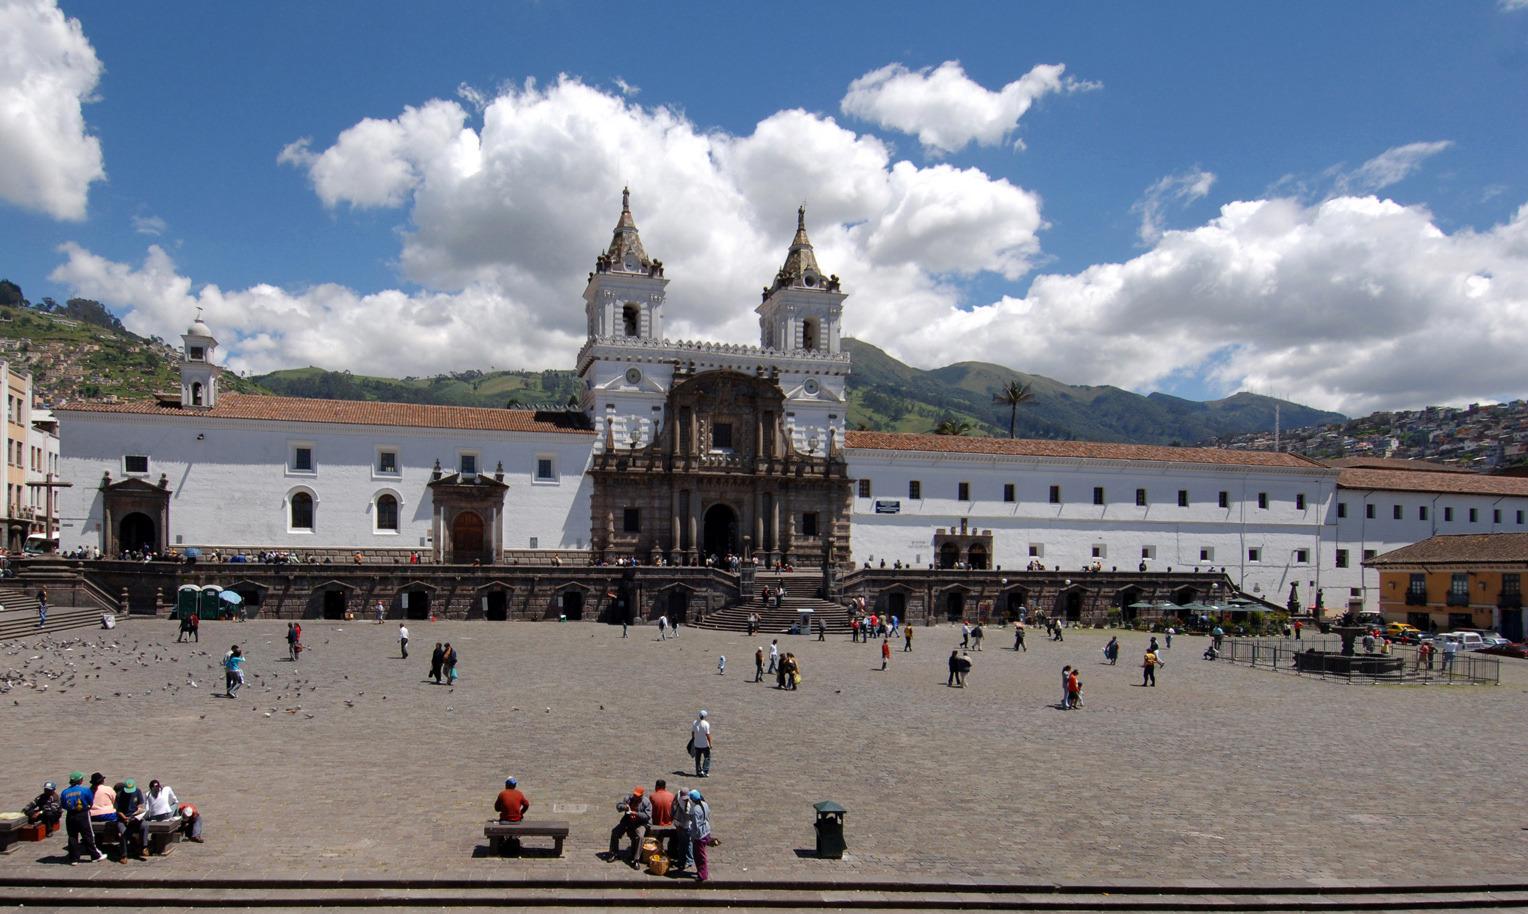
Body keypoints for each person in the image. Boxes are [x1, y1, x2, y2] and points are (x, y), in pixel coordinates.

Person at [60, 772, 104, 865]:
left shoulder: (65, 792)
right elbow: (90, 802)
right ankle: (95, 855)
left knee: (72, 836)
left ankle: (74, 858)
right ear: (79, 780)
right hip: (83, 814)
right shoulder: (85, 790)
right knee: (88, 835)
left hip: (70, 815)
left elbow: (63, 805)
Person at [609, 786, 649, 867]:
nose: (635, 797)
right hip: (628, 821)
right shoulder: (629, 798)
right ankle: (615, 853)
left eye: (637, 796)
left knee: (640, 836)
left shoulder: (646, 802)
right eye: (634, 795)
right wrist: (624, 807)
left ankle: (636, 859)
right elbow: (618, 805)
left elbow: (648, 816)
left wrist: (637, 814)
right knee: (615, 832)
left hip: (640, 823)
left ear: (641, 796)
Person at [115, 779, 149, 861]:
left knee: (144, 826)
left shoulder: (137, 791)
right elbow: (118, 809)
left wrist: (138, 810)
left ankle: (144, 847)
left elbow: (140, 803)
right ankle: (124, 855)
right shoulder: (119, 795)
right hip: (123, 818)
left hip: (134, 816)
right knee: (123, 833)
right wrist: (124, 817)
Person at [687, 789, 712, 882]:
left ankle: (703, 874)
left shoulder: (696, 810)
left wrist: (693, 837)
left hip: (700, 835)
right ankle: (701, 871)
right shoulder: (705, 804)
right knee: (700, 853)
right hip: (706, 830)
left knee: (699, 855)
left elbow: (695, 826)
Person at [669, 787, 693, 872]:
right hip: (678, 823)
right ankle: (681, 860)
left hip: (687, 825)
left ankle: (689, 860)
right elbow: (673, 807)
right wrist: (676, 823)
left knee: (688, 843)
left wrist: (681, 825)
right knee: (681, 843)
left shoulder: (690, 802)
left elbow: (687, 816)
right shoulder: (678, 796)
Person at [691, 710, 713, 777]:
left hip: (697, 744)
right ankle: (705, 770)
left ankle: (698, 771)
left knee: (697, 759)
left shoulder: (695, 723)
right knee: (707, 757)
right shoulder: (706, 724)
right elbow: (708, 734)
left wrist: (694, 738)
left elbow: (692, 732)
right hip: (704, 744)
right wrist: (710, 743)